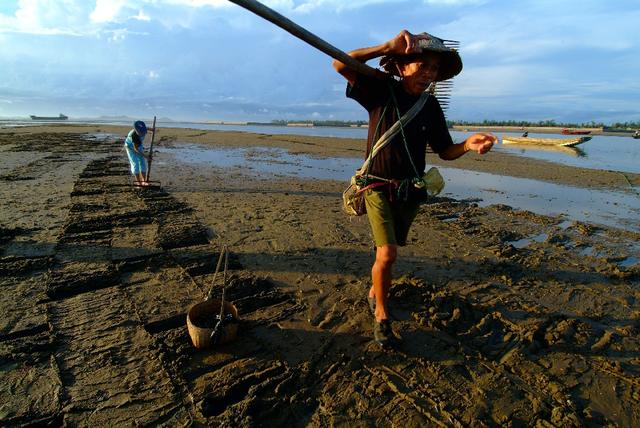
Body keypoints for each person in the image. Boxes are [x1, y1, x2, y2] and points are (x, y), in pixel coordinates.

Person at [333, 30, 496, 348]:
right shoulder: (380, 91)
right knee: (388, 253)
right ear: (402, 65)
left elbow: (446, 150)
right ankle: (381, 312)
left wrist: (468, 144)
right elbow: (340, 63)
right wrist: (384, 46)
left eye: (434, 69)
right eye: (422, 65)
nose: (429, 74)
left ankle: (373, 289)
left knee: (388, 251)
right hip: (377, 186)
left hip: (410, 190)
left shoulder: (430, 106)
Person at [124, 120, 154, 186]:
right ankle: (138, 182)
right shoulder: (134, 136)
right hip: (130, 147)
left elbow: (146, 128)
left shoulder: (142, 128)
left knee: (142, 162)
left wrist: (152, 129)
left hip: (139, 145)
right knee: (135, 164)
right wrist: (146, 156)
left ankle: (144, 181)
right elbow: (136, 149)